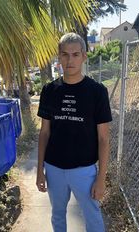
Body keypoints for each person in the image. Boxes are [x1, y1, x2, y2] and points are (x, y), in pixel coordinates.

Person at [36, 32, 112, 232]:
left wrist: (101, 178)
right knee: (58, 216)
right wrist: (39, 171)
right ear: (59, 57)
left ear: (84, 56)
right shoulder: (49, 90)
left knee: (93, 218)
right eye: (65, 55)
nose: (70, 60)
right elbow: (44, 133)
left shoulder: (97, 92)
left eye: (75, 54)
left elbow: (104, 138)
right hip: (53, 169)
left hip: (84, 171)